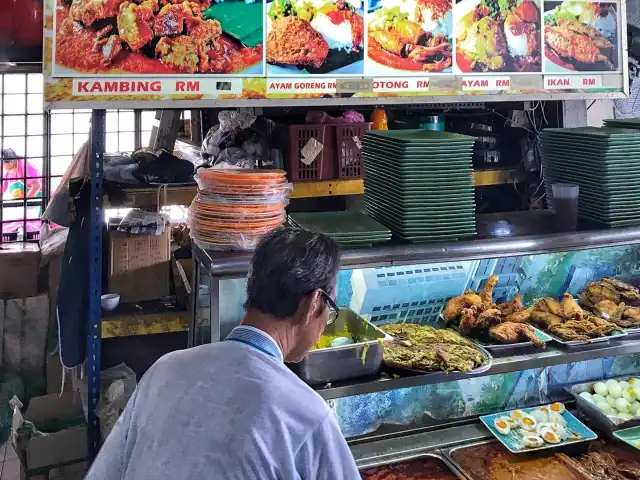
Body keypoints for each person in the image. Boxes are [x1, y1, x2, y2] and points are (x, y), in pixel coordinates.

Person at [86, 227, 360, 480]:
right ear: (313, 304)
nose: (326, 321)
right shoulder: (306, 415)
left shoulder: (164, 369)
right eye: (330, 309)